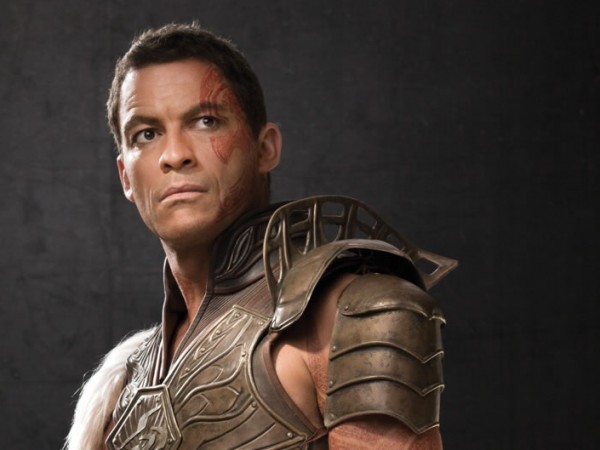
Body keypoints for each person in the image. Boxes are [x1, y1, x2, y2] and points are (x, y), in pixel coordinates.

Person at [64, 23, 457, 450]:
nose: (175, 155)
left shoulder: (354, 312)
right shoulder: (126, 385)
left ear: (265, 148)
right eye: (147, 134)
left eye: (205, 121)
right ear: (125, 175)